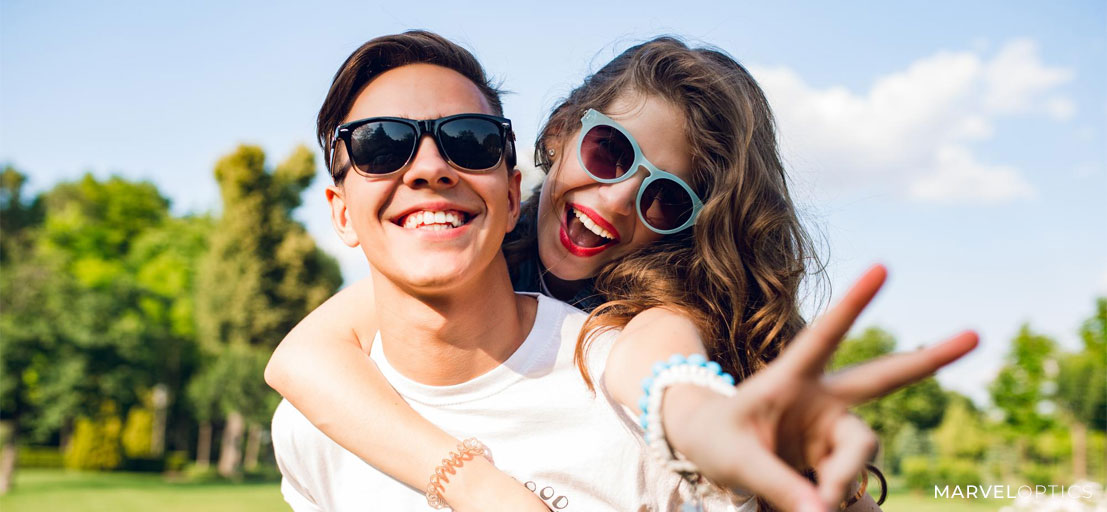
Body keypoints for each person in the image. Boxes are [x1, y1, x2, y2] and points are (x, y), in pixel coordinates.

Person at [267, 31, 977, 511]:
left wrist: (702, 422)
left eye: (663, 197)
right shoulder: (473, 236)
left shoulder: (649, 319)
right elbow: (304, 358)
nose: (611, 202)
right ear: (559, 135)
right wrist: (476, 484)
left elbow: (659, 370)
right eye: (609, 154)